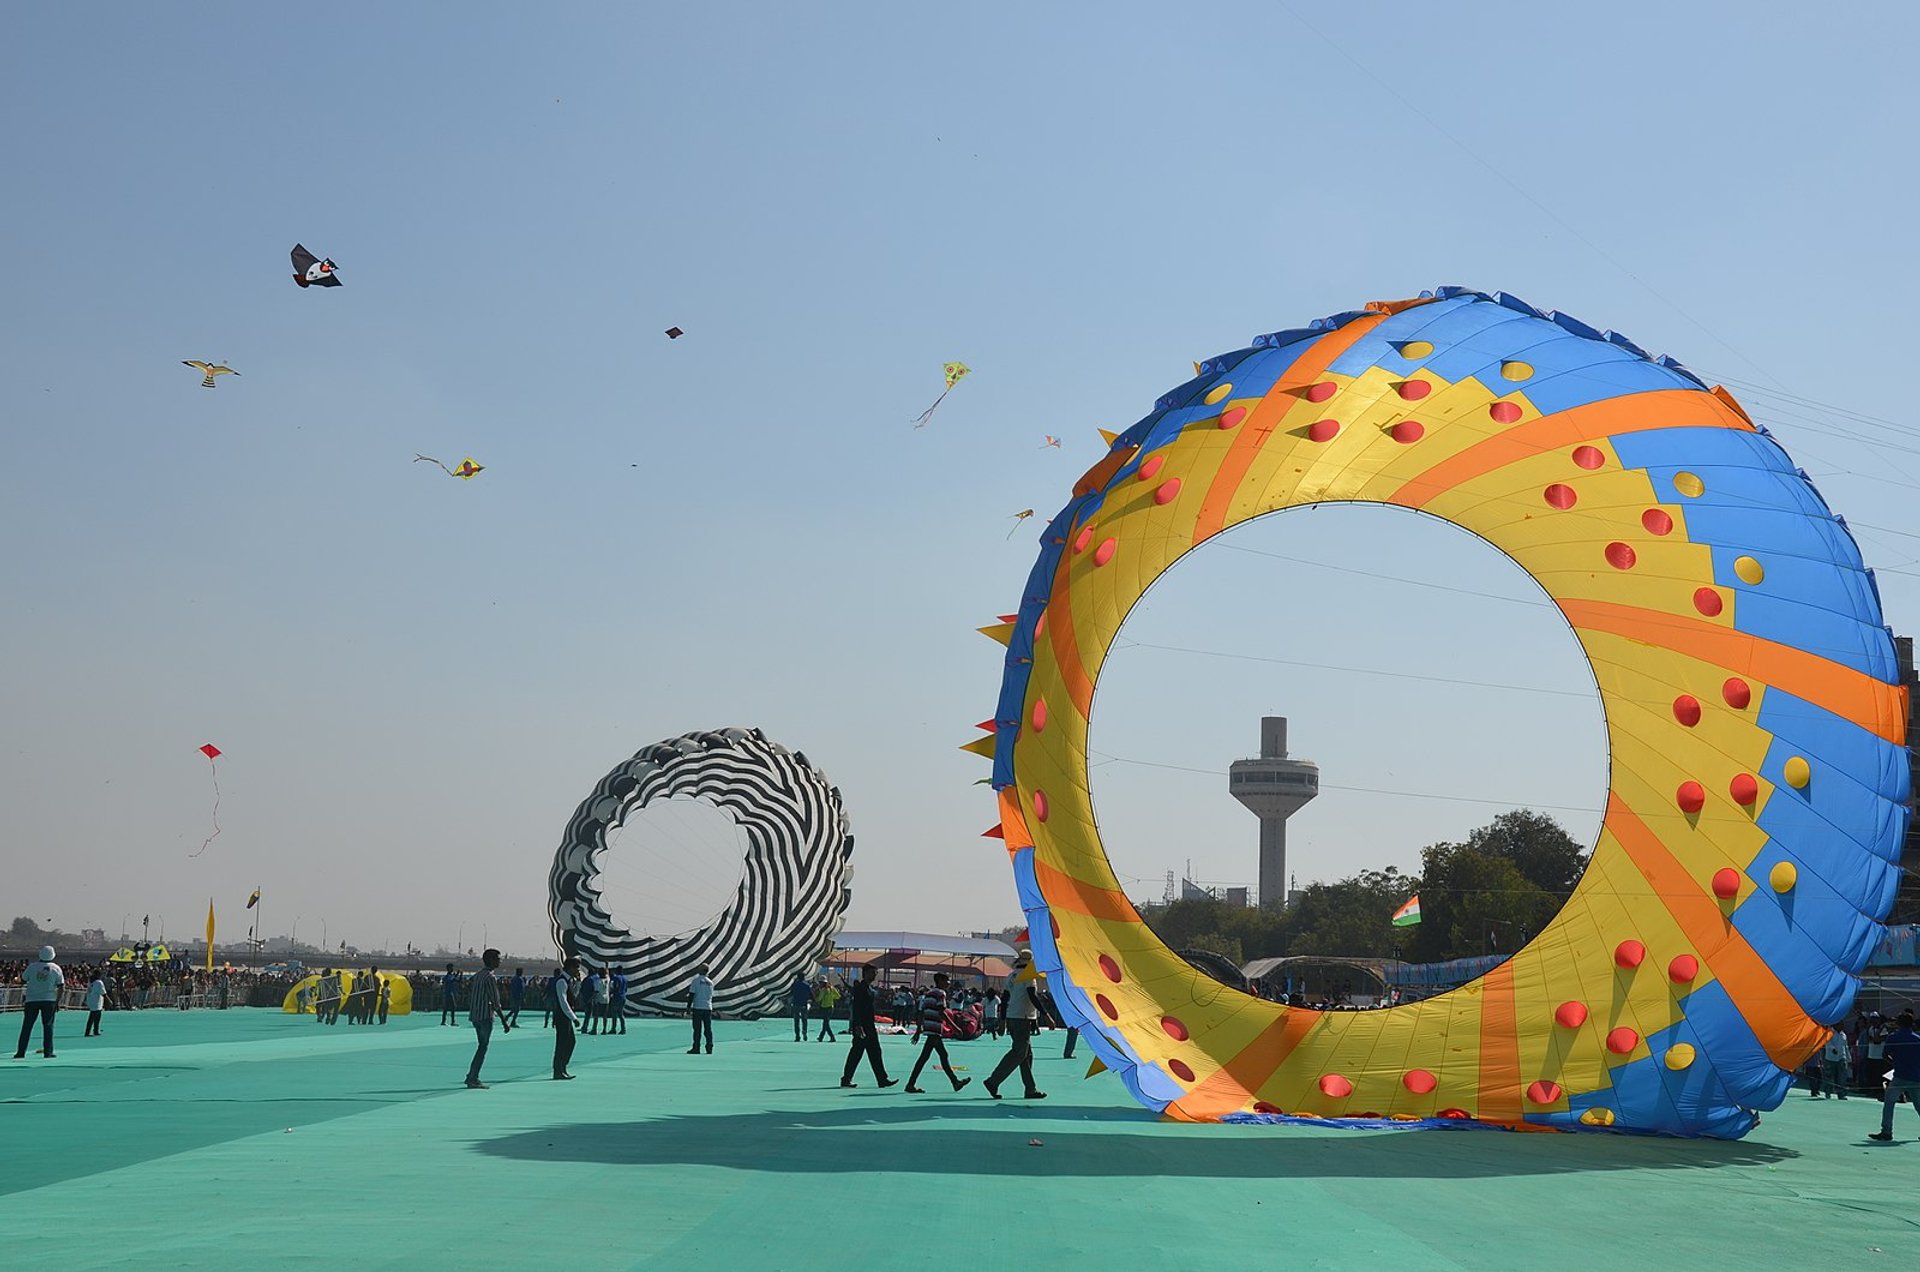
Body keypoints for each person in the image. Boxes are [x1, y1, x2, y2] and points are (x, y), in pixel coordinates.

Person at [983, 951, 1046, 1100]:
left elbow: (1004, 1000)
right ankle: (993, 1081)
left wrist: (1003, 1020)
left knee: (1026, 1055)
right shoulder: (1028, 976)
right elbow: (1032, 996)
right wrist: (1045, 1014)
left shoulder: (1011, 976)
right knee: (1019, 1053)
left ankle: (1030, 1089)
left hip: (1012, 1016)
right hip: (1022, 1018)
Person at [905, 972, 972, 1094]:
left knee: (938, 1056)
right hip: (935, 1028)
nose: (948, 983)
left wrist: (919, 1030)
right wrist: (955, 1027)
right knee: (928, 1057)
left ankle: (955, 1082)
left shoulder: (928, 993)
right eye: (946, 981)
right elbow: (942, 1012)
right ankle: (911, 1084)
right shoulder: (941, 994)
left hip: (929, 1027)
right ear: (940, 981)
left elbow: (921, 1012)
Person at [839, 964, 897, 1089]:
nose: (874, 975)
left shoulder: (868, 988)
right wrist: (858, 1025)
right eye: (872, 972)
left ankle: (882, 1079)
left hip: (869, 1025)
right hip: (862, 1025)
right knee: (856, 1053)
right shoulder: (861, 988)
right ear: (865, 973)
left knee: (875, 1052)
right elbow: (857, 1007)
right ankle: (846, 1079)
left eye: (875, 972)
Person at [1869, 1009, 1920, 1141]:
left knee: (1889, 1102)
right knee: (1919, 1105)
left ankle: (1887, 1132)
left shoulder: (1893, 1037)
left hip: (1900, 1075)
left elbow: (1885, 1055)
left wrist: (1895, 1062)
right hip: (1916, 1077)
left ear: (1899, 1024)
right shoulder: (1917, 1039)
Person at [464, 948, 511, 1089]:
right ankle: (473, 1077)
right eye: (497, 958)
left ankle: (471, 1075)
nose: (500, 961)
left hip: (476, 1015)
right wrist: (504, 1021)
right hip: (485, 1016)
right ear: (491, 960)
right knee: (483, 1047)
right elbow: (495, 1001)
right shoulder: (490, 977)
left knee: (481, 1045)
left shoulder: (478, 975)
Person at [14, 946, 63, 1059]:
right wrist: (57, 1001)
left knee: (27, 1026)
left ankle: (21, 1052)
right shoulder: (56, 968)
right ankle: (48, 1052)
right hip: (49, 1000)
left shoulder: (32, 967)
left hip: (32, 1000)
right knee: (48, 1027)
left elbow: (23, 980)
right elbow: (61, 986)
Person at [551, 960, 581, 1080]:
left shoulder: (569, 981)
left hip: (566, 1016)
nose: (578, 971)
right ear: (570, 968)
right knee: (562, 1044)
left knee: (570, 1042)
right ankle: (558, 1070)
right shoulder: (561, 981)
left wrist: (578, 983)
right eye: (577, 968)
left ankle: (562, 1067)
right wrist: (574, 1018)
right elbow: (563, 1002)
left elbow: (573, 996)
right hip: (562, 1016)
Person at [687, 966, 715, 1054]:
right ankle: (709, 1047)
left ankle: (696, 1047)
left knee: (697, 1029)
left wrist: (688, 1006)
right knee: (708, 1028)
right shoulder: (710, 982)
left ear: (700, 970)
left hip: (698, 1007)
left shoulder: (696, 981)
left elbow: (692, 994)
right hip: (707, 1007)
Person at [1820, 1024, 1852, 1099]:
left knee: (1842, 1077)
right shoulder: (1829, 1032)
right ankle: (1828, 1093)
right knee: (1829, 1077)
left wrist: (1849, 1058)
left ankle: (1841, 1094)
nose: (1842, 1026)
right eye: (1840, 1024)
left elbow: (1846, 1046)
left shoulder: (1843, 1035)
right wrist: (1832, 1049)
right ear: (1836, 1025)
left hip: (1841, 1057)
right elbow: (1827, 1042)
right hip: (1830, 1058)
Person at [788, 972, 814, 1042]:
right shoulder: (807, 985)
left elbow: (791, 993)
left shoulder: (795, 985)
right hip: (804, 1004)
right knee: (804, 1020)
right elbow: (811, 994)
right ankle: (804, 1032)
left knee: (796, 1021)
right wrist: (813, 1000)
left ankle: (797, 1035)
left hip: (796, 1004)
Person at [814, 978, 841, 1042]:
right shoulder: (832, 988)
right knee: (826, 1023)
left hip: (825, 1008)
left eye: (820, 982)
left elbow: (819, 998)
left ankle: (830, 1037)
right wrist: (831, 997)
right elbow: (838, 996)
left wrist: (815, 998)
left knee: (826, 1024)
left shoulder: (823, 990)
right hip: (831, 1007)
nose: (820, 984)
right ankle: (821, 1037)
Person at [84, 971, 106, 1038]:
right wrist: (109, 1001)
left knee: (97, 1016)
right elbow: (103, 992)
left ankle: (96, 1030)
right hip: (96, 1001)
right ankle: (87, 1032)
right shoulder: (99, 982)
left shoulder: (91, 982)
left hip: (91, 1000)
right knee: (92, 1017)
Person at [582, 967, 602, 1036]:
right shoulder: (595, 978)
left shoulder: (587, 979)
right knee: (594, 1014)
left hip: (587, 998)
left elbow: (582, 989)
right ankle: (591, 1028)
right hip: (594, 998)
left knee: (587, 1014)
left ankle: (585, 1027)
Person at [608, 969, 627, 1035]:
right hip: (623, 997)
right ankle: (623, 1029)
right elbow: (626, 988)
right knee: (621, 1014)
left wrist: (612, 992)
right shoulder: (625, 978)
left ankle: (613, 1028)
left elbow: (616, 986)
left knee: (614, 1014)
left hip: (616, 997)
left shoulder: (616, 978)